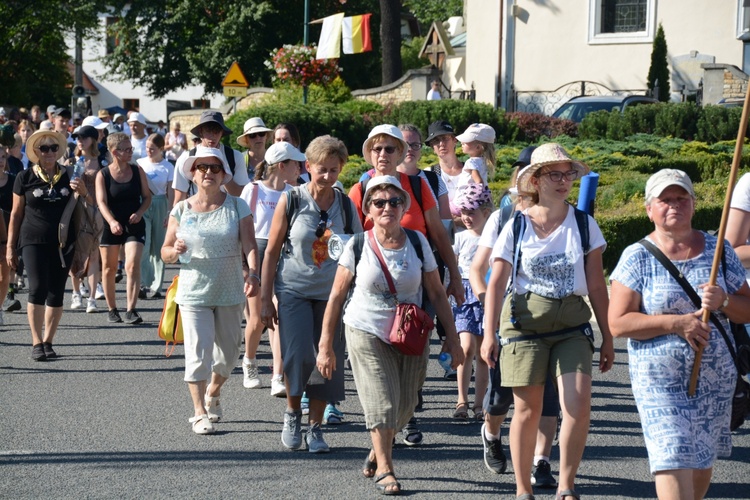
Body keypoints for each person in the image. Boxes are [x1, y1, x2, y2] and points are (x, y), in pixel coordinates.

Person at [481, 143, 614, 500]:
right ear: (535, 180)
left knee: (578, 402)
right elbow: (495, 281)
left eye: (568, 173)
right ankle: (523, 488)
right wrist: (487, 333)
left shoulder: (584, 225)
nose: (563, 181)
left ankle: (566, 485)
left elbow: (598, 285)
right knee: (527, 408)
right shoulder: (517, 224)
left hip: (572, 326)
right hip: (524, 327)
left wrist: (610, 336)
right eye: (553, 174)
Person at [317, 175, 463, 495]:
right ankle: (386, 467)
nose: (387, 207)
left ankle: (376, 449)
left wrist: (453, 339)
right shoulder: (358, 245)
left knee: (407, 404)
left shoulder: (417, 242)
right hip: (365, 329)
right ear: (368, 210)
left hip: (409, 332)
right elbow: (337, 298)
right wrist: (326, 345)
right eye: (379, 202)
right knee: (382, 402)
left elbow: (437, 293)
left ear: (403, 207)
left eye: (394, 202)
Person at [609, 169, 750, 500]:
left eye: (681, 198)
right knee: (672, 457)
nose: (674, 204)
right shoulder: (637, 256)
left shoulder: (720, 252)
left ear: (693, 203)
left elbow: (747, 309)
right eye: (665, 199)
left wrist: (725, 301)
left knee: (700, 463)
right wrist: (675, 323)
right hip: (660, 383)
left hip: (715, 381)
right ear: (649, 209)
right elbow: (618, 323)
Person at [349, 124, 465, 446]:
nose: (383, 155)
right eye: (377, 149)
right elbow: (351, 242)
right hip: (375, 292)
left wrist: (454, 277)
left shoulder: (416, 184)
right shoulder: (360, 189)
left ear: (401, 152)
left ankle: (408, 409)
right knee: (383, 354)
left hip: (418, 284)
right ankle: (395, 423)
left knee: (413, 347)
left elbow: (439, 235)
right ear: (369, 153)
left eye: (390, 149)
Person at [260, 135, 363, 454]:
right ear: (308, 167)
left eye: (334, 170)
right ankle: (293, 414)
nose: (328, 176)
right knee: (298, 355)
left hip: (333, 295)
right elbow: (272, 251)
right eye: (322, 169)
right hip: (293, 290)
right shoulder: (291, 200)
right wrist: (265, 299)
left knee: (326, 359)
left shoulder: (345, 205)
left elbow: (359, 250)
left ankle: (315, 429)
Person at [469, 153, 561, 487]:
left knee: (548, 394)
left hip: (550, 319)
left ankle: (542, 462)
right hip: (509, 320)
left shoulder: (564, 217)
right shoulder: (503, 217)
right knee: (502, 396)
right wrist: (488, 305)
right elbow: (477, 270)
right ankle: (491, 433)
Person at [161, 146, 259, 435]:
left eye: (214, 168)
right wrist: (174, 250)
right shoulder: (181, 209)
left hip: (230, 290)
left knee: (228, 355)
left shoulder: (238, 206)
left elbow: (250, 245)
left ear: (223, 174)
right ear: (192, 173)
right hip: (193, 291)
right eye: (202, 167)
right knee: (197, 352)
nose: (208, 173)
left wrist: (253, 273)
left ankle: (213, 392)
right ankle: (199, 412)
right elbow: (165, 251)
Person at [6, 130, 91, 360]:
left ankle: (48, 341)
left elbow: (88, 207)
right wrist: (10, 247)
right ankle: (36, 341)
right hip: (32, 240)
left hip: (64, 241)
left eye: (53, 148)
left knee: (56, 293)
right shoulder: (24, 177)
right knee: (37, 288)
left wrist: (83, 192)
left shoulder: (69, 175)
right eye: (44, 148)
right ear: (35, 152)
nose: (49, 152)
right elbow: (15, 214)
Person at [239, 141, 301, 394]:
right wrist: (245, 265)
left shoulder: (293, 193)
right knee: (257, 319)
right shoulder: (253, 190)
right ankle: (250, 361)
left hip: (281, 254)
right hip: (255, 253)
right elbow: (241, 229)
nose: (300, 168)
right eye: (295, 163)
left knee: (278, 317)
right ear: (281, 166)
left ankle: (278, 374)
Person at [96, 132, 152, 324]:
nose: (130, 152)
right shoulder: (102, 174)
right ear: (114, 152)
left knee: (132, 264)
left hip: (134, 224)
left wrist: (140, 212)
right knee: (110, 268)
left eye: (131, 149)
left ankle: (131, 309)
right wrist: (111, 222)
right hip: (110, 224)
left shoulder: (138, 171)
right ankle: (112, 309)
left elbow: (147, 197)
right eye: (127, 149)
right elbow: (101, 202)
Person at [450, 184, 493, 422]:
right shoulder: (460, 238)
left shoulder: (495, 239)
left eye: (471, 212)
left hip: (485, 295)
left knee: (483, 354)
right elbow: (452, 268)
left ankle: (479, 403)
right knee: (466, 349)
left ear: (486, 212)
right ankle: (461, 399)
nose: (466, 217)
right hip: (464, 295)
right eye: (463, 212)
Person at [172, 110, 249, 203]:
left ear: (222, 133)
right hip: (196, 213)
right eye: (208, 130)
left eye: (216, 131)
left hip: (228, 213)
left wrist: (224, 172)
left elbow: (241, 196)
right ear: (200, 132)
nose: (212, 135)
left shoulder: (235, 157)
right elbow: (179, 198)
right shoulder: (186, 159)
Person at [68, 125, 105, 313]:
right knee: (74, 252)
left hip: (95, 210)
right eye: (77, 138)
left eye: (84, 137)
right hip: (74, 211)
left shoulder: (101, 162)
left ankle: (91, 298)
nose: (80, 141)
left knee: (93, 255)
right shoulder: (71, 161)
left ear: (93, 140)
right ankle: (76, 292)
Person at [137, 133, 174, 299]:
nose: (149, 151)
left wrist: (170, 212)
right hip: (144, 203)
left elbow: (171, 191)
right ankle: (143, 282)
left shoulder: (168, 167)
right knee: (145, 245)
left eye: (152, 149)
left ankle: (157, 286)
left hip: (161, 204)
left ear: (161, 149)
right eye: (147, 148)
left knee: (159, 245)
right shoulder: (140, 164)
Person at [424, 120, 464, 228]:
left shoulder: (470, 170)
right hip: (443, 237)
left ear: (454, 140)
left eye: (445, 138)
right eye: (436, 141)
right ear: (432, 147)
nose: (441, 144)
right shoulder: (429, 174)